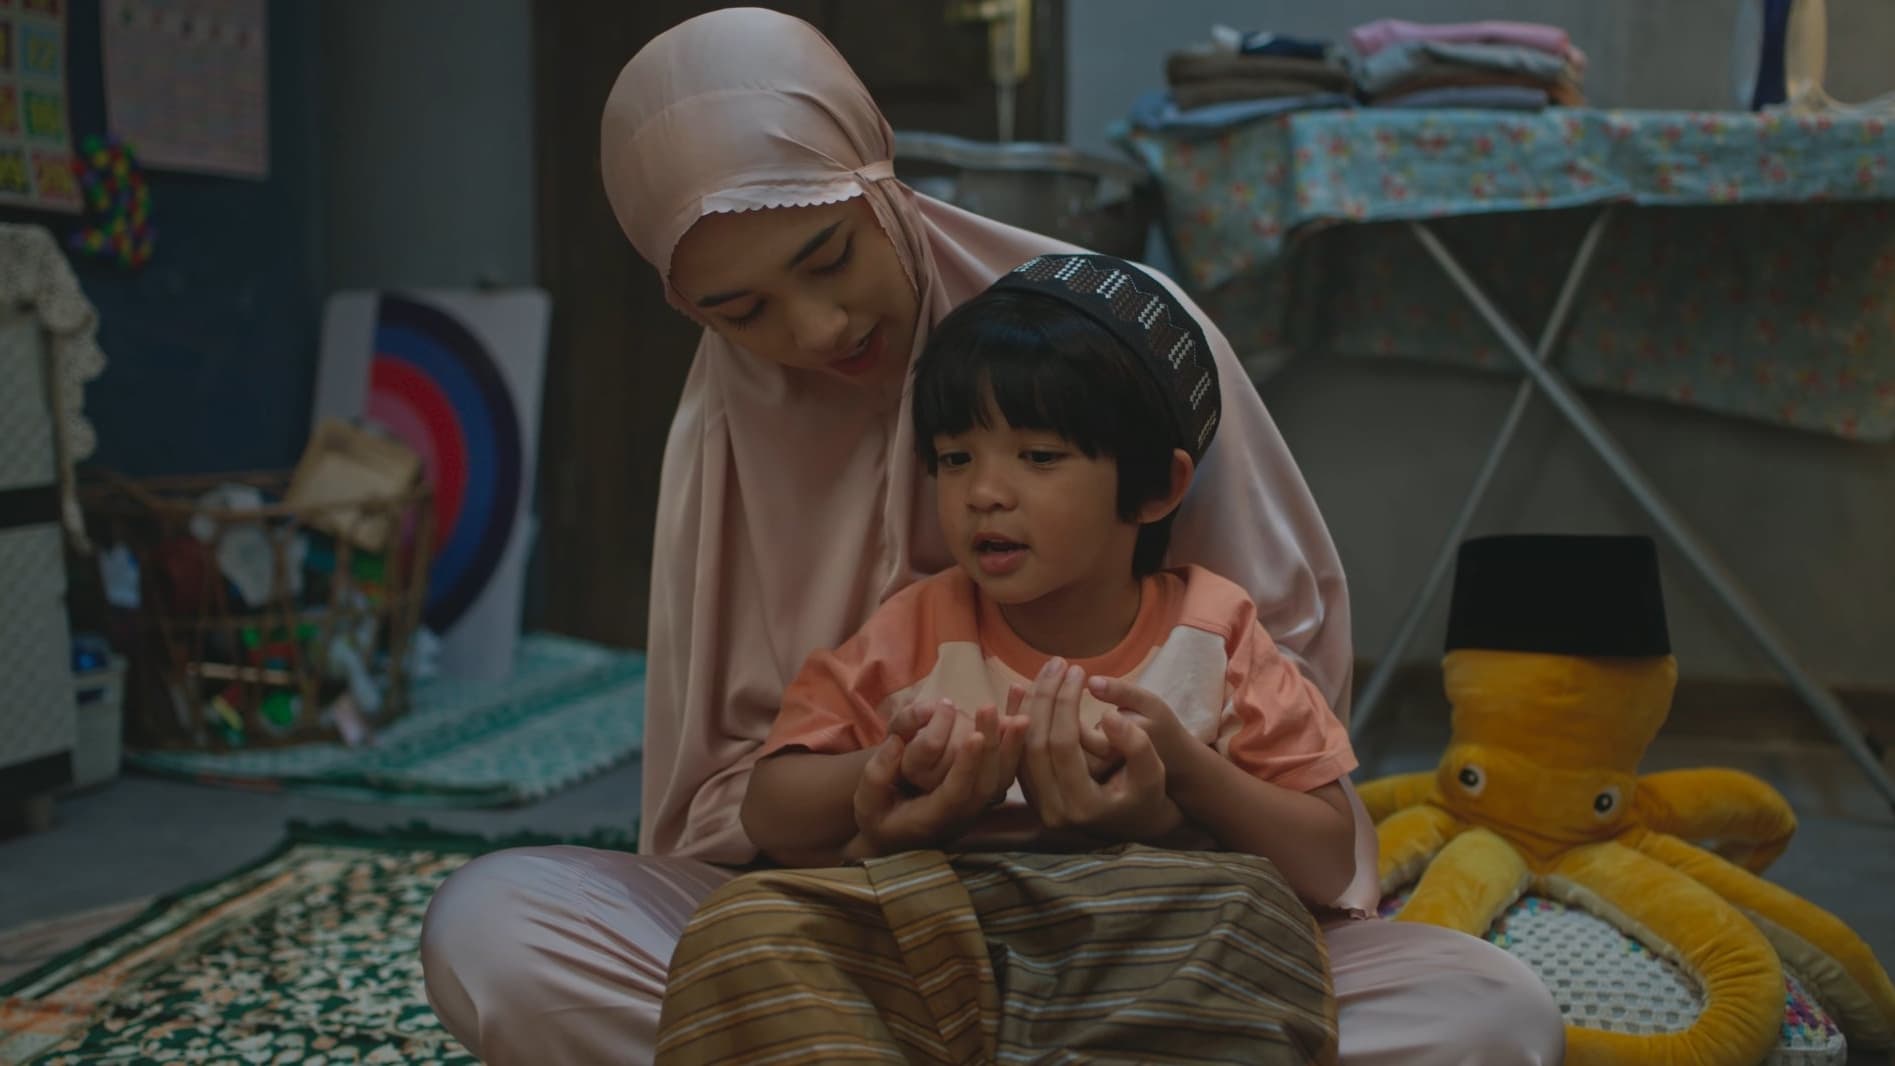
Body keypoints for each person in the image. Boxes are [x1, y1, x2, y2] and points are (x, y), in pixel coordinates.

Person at [420, 9, 1564, 1065]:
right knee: (498, 928)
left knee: (1487, 1010)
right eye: (741, 311)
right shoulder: (758, 460)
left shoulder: (1114, 346)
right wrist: (881, 800)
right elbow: (750, 805)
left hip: (1166, 926)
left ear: (881, 185)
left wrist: (1163, 802)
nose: (815, 331)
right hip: (858, 935)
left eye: (828, 257)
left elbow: (1293, 783)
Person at [655, 253, 1352, 1063]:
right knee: (748, 921)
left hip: (1146, 934)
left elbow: (1325, 861)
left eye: (1038, 456)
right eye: (955, 458)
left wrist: (1183, 777)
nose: (983, 492)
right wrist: (890, 770)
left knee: (1252, 913)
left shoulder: (1215, 631)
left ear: (1156, 489)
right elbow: (770, 814)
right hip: (942, 924)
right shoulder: (919, 624)